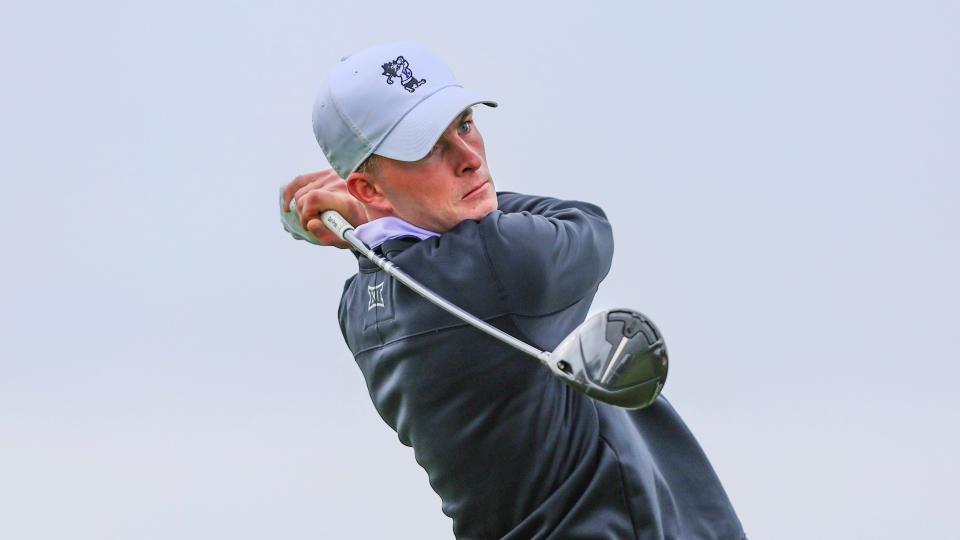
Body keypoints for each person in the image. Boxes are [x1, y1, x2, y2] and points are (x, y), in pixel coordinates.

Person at [281, 42, 746, 540]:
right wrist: (364, 212)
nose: (469, 158)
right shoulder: (502, 265)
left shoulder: (358, 309)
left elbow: (392, 248)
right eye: (429, 148)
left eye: (463, 124)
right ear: (368, 190)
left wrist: (370, 213)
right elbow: (588, 226)